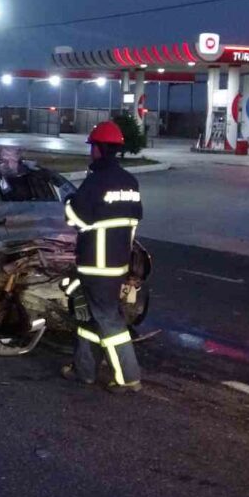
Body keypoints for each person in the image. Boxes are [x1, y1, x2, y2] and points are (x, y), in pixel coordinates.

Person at [60, 120, 144, 393]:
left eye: (92, 146)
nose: (90, 152)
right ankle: (84, 370)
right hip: (118, 262)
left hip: (96, 264)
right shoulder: (130, 182)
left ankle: (128, 377)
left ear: (98, 149)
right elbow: (132, 222)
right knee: (88, 317)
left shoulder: (95, 182)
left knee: (109, 320)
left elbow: (76, 218)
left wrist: (69, 203)